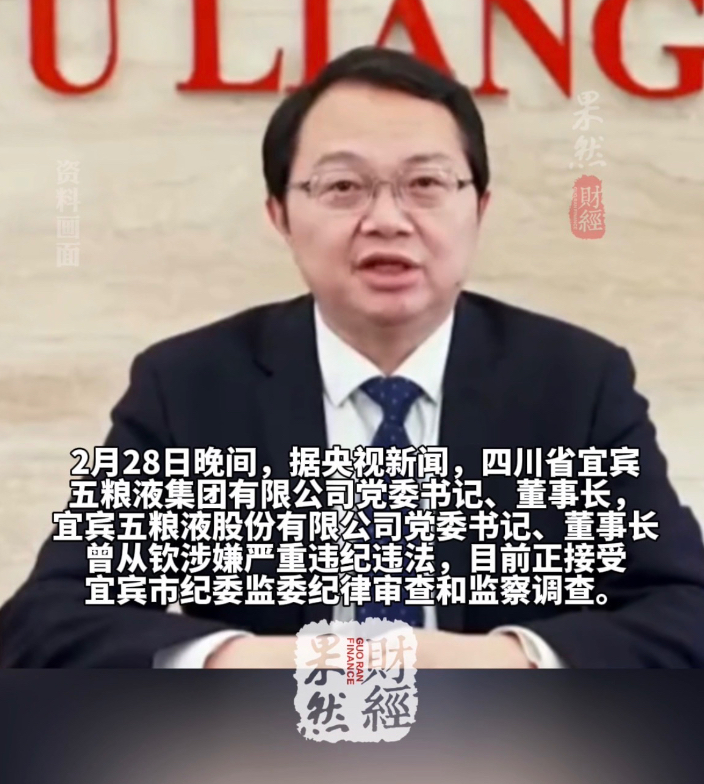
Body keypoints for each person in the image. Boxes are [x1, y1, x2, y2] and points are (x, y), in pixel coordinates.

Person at [2, 45, 704, 669]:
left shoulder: (575, 383)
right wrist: (247, 662)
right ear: (280, 215)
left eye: (425, 184)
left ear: (479, 208)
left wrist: (502, 662)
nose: (388, 220)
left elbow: (684, 612)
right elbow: (47, 623)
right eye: (343, 187)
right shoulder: (190, 386)